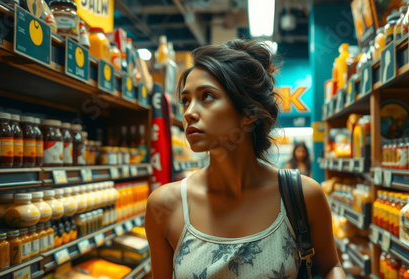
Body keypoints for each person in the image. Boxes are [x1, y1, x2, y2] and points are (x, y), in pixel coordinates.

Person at [145, 39, 345, 279]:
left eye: (207, 96)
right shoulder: (165, 206)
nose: (189, 113)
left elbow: (330, 267)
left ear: (249, 113)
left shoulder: (302, 196)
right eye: (186, 100)